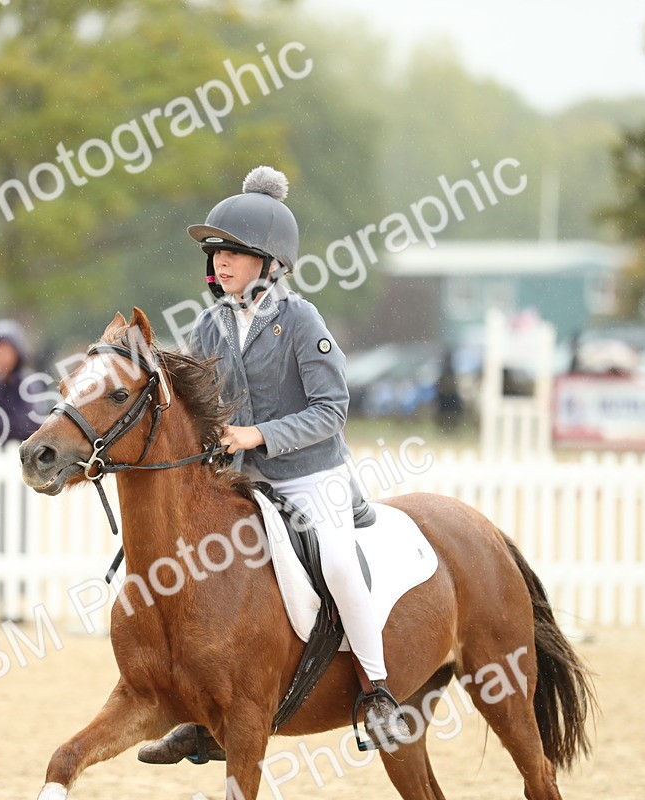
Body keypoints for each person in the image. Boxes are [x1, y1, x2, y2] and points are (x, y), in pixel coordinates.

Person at [136, 166, 409, 765]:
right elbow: (197, 410)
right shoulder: (208, 326)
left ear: (268, 260)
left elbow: (332, 409)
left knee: (337, 560)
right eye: (216, 253)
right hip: (248, 483)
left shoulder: (301, 320)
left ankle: (378, 690)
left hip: (315, 476)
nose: (220, 264)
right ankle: (202, 714)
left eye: (233, 252)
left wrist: (258, 434)